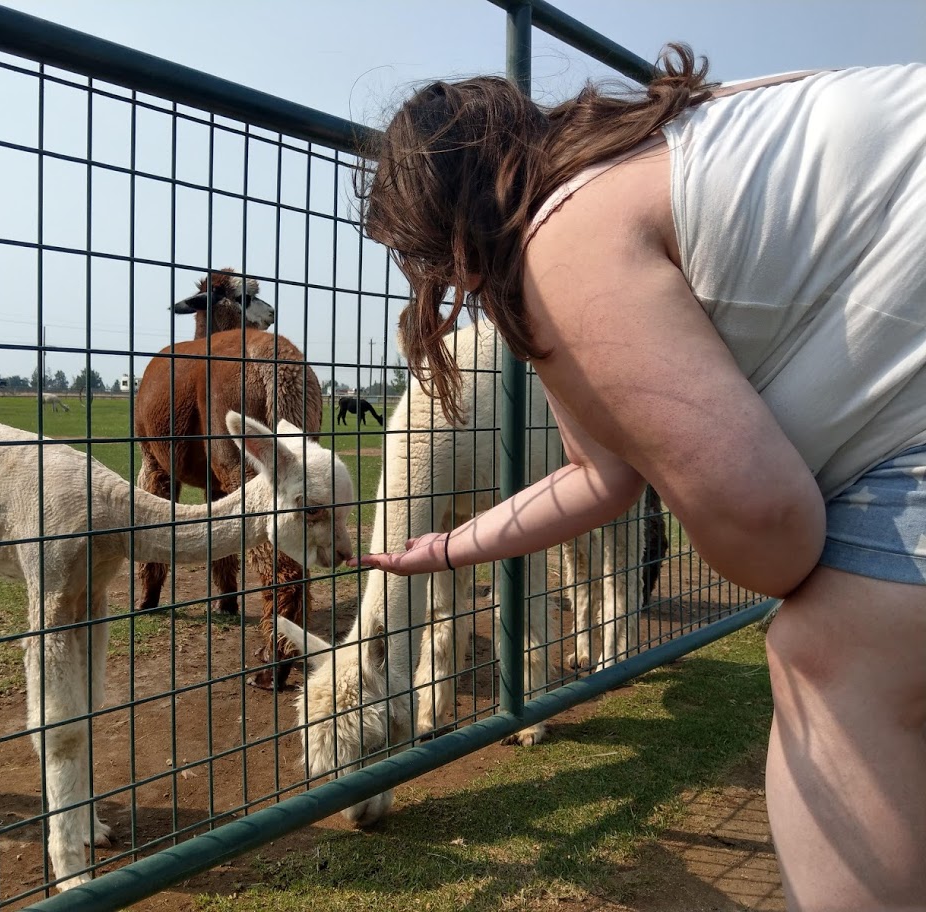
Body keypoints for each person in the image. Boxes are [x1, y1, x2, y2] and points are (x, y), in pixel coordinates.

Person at [349, 46, 926, 912]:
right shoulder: (642, 150)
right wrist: (450, 548)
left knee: (831, 655)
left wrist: (714, 502)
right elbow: (600, 475)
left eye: (422, 257)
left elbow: (771, 527)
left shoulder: (564, 242)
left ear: (450, 238)